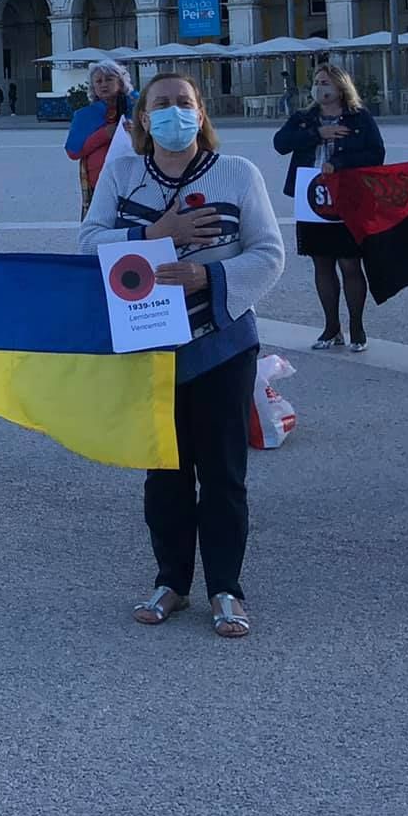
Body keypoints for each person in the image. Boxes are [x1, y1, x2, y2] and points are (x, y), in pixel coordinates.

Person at [80, 73, 284, 639]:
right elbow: (88, 241)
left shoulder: (236, 173)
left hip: (221, 341)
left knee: (223, 473)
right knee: (164, 471)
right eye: (161, 104)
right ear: (142, 118)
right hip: (149, 343)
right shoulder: (122, 173)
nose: (174, 113)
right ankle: (171, 580)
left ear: (201, 111)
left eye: (184, 103)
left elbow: (269, 254)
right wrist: (156, 233)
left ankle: (226, 587)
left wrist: (207, 275)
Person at [272, 63, 385, 352]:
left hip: (347, 198)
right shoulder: (303, 118)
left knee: (349, 263)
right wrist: (317, 134)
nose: (320, 87)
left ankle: (357, 327)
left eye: (326, 83)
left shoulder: (359, 118)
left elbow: (376, 153)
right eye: (317, 82)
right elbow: (281, 143)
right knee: (322, 262)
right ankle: (331, 327)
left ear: (340, 87)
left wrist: (340, 164)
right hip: (312, 198)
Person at [64, 59, 136, 218]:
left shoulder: (137, 109)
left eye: (109, 79)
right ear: (93, 86)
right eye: (98, 81)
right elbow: (73, 151)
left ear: (120, 82)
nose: (104, 84)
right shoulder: (84, 115)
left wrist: (138, 132)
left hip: (135, 180)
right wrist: (104, 134)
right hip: (100, 183)